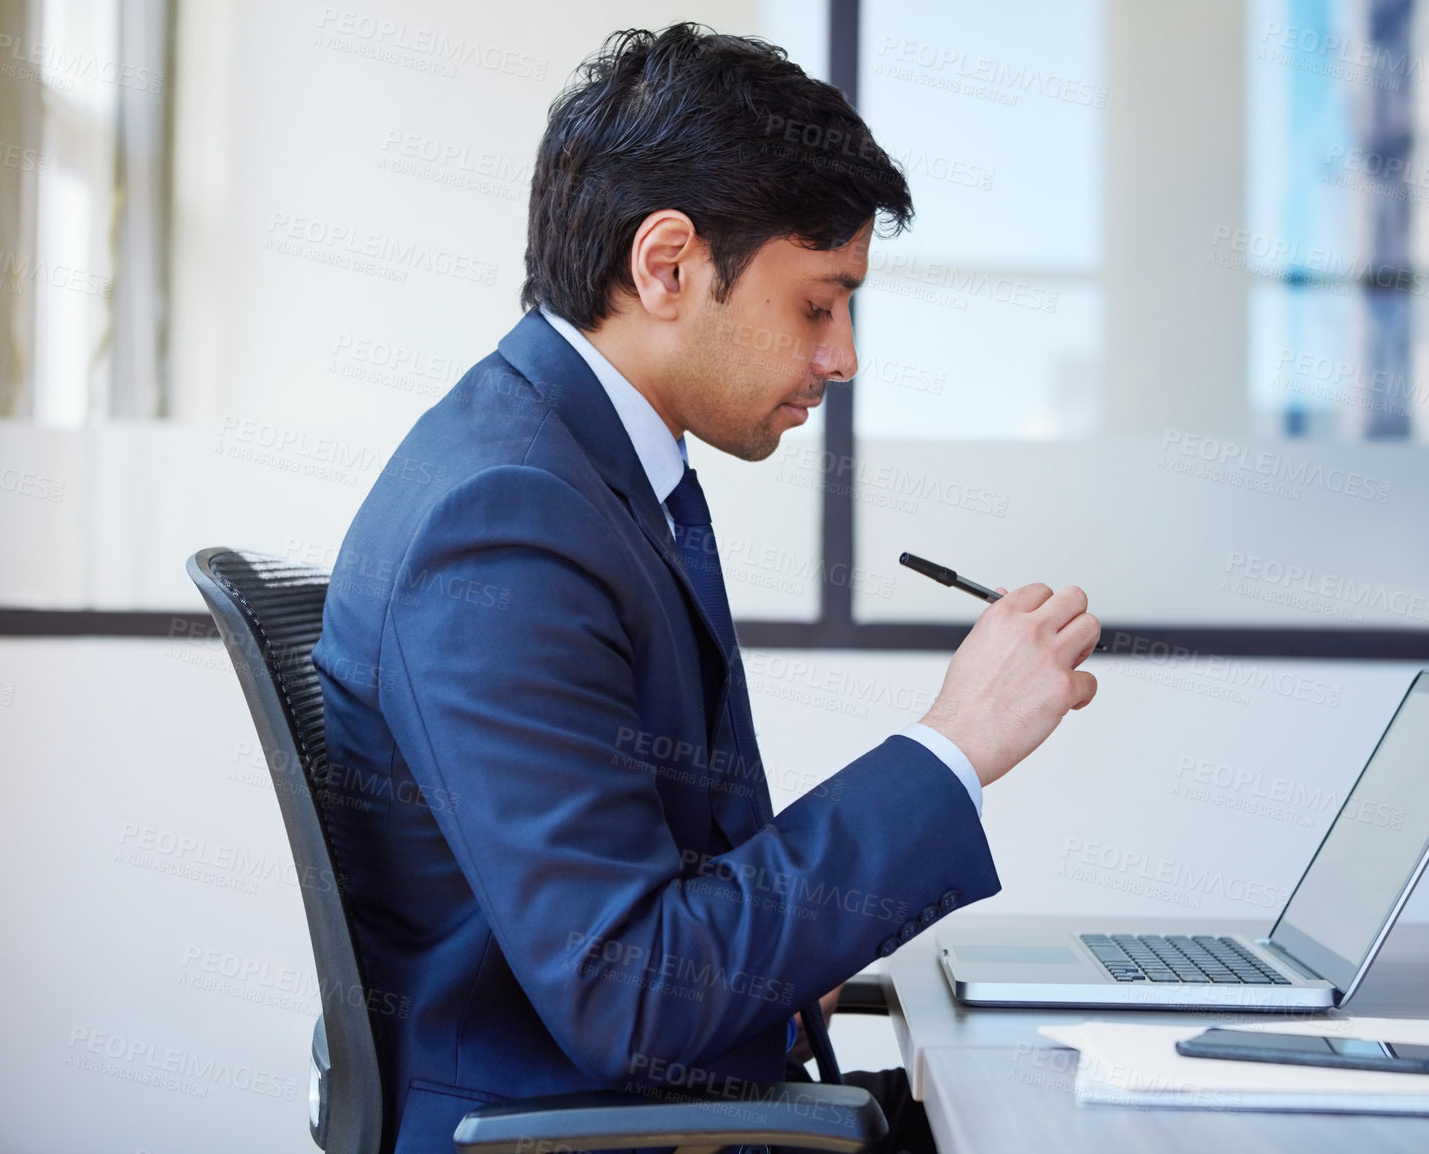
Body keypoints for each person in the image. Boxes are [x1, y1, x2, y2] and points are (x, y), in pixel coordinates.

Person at [312, 23, 1100, 1154]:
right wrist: (953, 745)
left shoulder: (582, 466)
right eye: (818, 303)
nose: (843, 357)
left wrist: (792, 965)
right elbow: (628, 992)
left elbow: (654, 905)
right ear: (668, 265)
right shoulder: (498, 526)